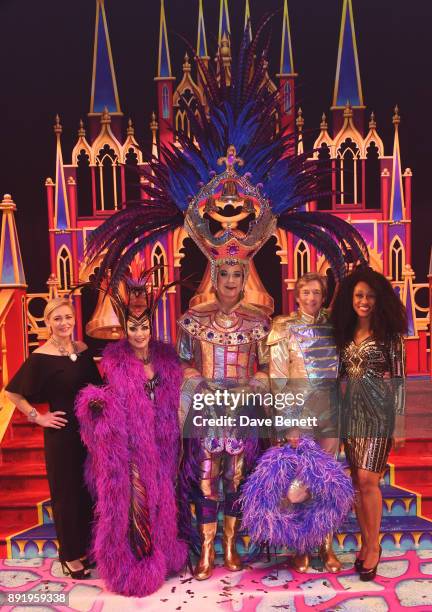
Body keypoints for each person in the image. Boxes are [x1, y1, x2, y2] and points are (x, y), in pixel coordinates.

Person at [75, 266, 187, 597]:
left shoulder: (167, 359)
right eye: (133, 327)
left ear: (152, 327)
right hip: (135, 446)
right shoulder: (116, 360)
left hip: (165, 443)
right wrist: (96, 405)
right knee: (138, 502)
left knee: (166, 499)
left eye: (145, 326)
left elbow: (179, 399)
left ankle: (165, 555)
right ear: (125, 328)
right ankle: (139, 564)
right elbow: (110, 399)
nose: (139, 332)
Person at [177, 258, 271, 580]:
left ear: (245, 279)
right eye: (224, 274)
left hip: (241, 415)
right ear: (214, 278)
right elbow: (182, 363)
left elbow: (266, 367)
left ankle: (230, 546)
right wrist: (201, 386)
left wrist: (248, 391)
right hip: (207, 413)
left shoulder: (259, 322)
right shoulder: (193, 320)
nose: (230, 280)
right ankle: (206, 551)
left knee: (235, 480)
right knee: (206, 482)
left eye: (236, 274)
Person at [5, 297, 101, 579]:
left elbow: (97, 387)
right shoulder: (41, 356)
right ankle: (70, 556)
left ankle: (85, 550)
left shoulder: (82, 350)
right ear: (47, 323)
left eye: (68, 317)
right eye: (57, 319)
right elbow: (12, 392)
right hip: (61, 437)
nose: (64, 323)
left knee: (87, 492)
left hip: (89, 433)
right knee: (67, 495)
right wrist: (38, 416)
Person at [331, 266, 407, 581]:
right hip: (352, 416)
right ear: (351, 298)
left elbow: (400, 382)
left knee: (367, 480)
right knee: (358, 485)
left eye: (371, 296)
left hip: (379, 415)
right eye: (359, 295)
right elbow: (337, 381)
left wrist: (399, 425)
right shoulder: (344, 334)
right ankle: (365, 543)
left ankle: (373, 547)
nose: (364, 301)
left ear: (380, 300)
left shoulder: (390, 337)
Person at [266, 272, 342, 573]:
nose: (311, 298)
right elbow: (277, 379)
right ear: (296, 295)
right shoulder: (283, 327)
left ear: (324, 297)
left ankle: (326, 546)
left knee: (328, 482)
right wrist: (288, 424)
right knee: (298, 482)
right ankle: (300, 546)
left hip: (330, 413)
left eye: (317, 293)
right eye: (306, 292)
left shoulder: (335, 327)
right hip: (299, 414)